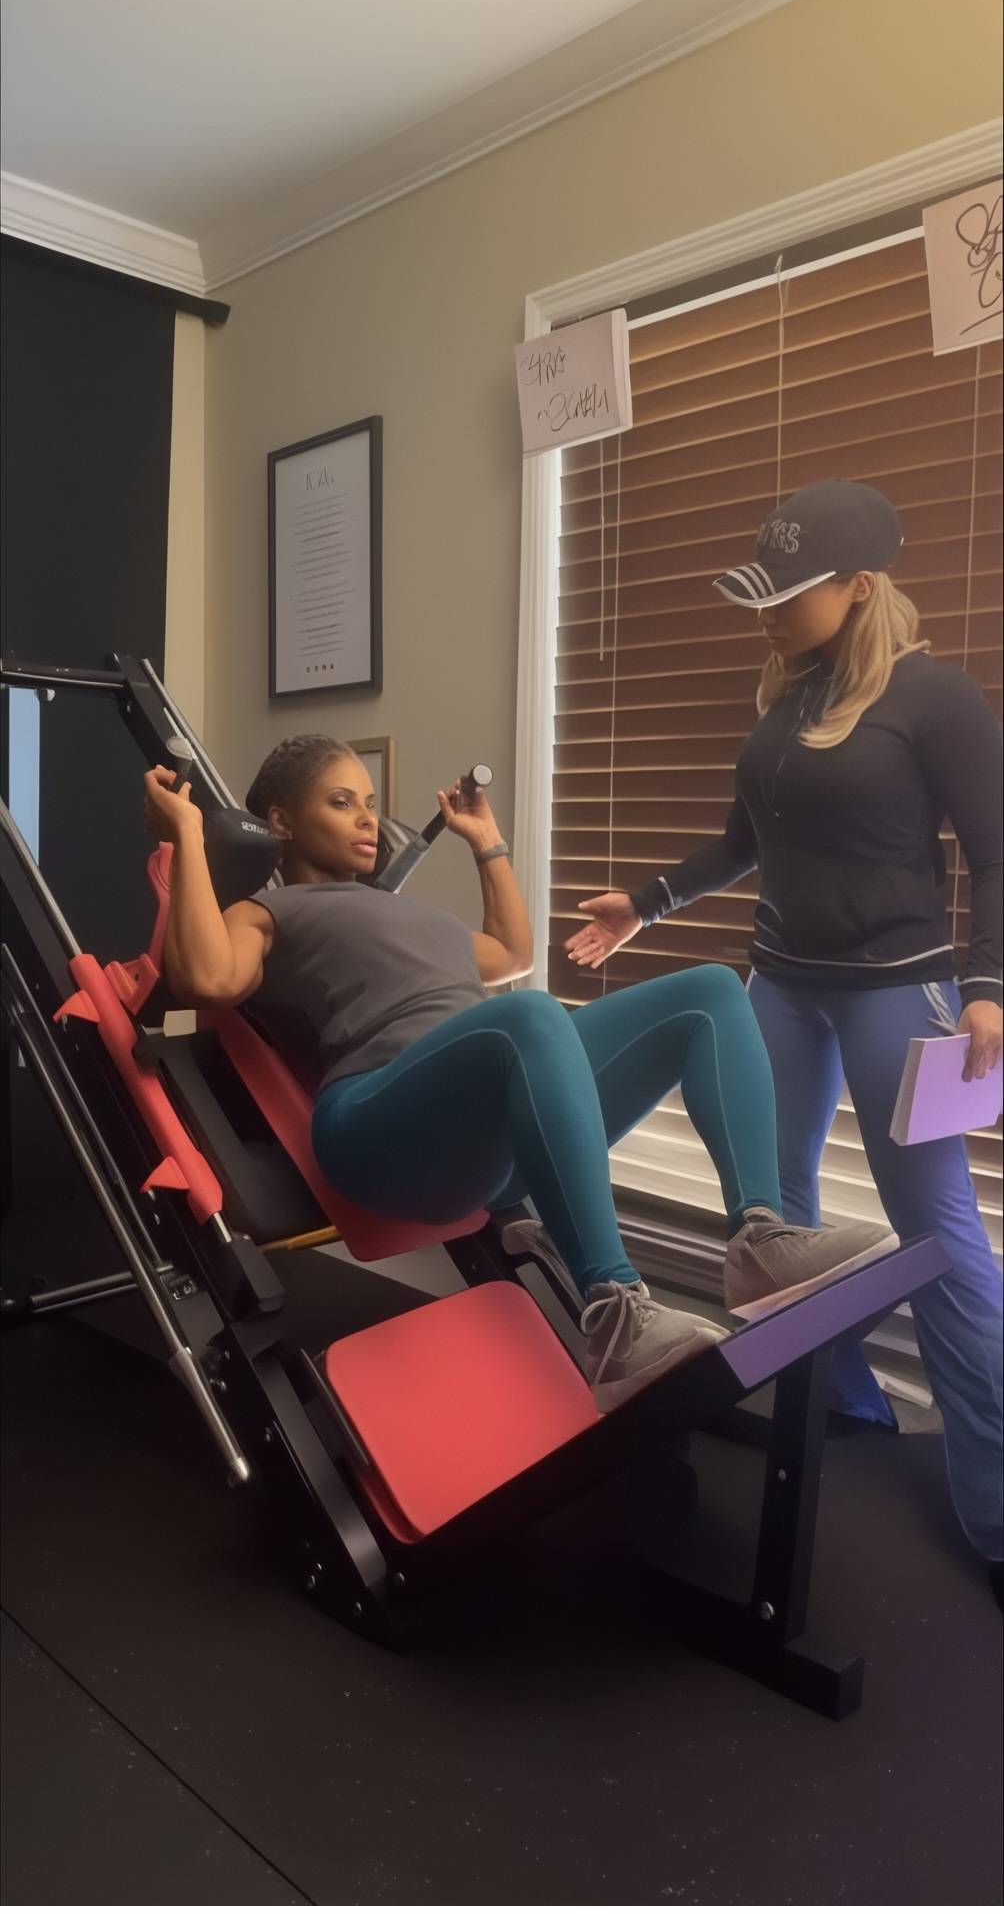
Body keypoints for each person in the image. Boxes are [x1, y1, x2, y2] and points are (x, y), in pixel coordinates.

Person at [144, 732, 893, 1414]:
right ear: (280, 822)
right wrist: (188, 839)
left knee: (708, 992)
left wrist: (487, 845)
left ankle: (758, 1236)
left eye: (371, 804)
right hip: (376, 1128)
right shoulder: (274, 913)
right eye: (342, 804)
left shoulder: (413, 915)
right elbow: (205, 979)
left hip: (490, 1145)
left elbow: (509, 953)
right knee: (534, 1016)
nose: (369, 820)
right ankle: (615, 1309)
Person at [566, 477, 1003, 1567]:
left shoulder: (934, 698)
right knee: (778, 1221)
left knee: (937, 1235)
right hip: (780, 986)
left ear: (857, 589)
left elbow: (996, 853)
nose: (764, 614)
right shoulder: (785, 705)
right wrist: (644, 903)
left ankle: (996, 1511)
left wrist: (989, 984)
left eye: (786, 595)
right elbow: (743, 841)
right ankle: (843, 1404)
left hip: (893, 991)